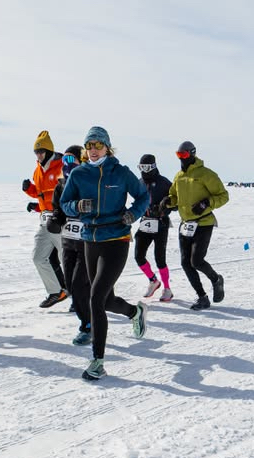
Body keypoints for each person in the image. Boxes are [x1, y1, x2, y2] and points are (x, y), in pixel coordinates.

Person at [58, 127, 150, 381]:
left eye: (98, 145)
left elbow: (143, 196)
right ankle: (135, 312)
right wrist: (76, 205)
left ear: (108, 147)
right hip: (90, 239)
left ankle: (97, 361)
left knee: (95, 298)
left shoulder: (120, 172)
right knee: (105, 299)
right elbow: (64, 203)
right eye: (89, 146)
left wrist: (133, 214)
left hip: (116, 239)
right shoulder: (79, 174)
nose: (93, 150)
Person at [161, 141, 229, 310]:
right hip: (185, 224)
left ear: (192, 154)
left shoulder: (206, 174)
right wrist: (167, 202)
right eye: (178, 155)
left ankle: (216, 279)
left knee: (196, 261)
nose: (181, 158)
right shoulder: (179, 176)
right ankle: (202, 297)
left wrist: (207, 203)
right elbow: (174, 197)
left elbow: (223, 196)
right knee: (185, 263)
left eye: (183, 155)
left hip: (204, 222)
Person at [52, 146, 93, 344]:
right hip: (68, 242)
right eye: (65, 161)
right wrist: (55, 219)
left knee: (79, 285)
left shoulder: (88, 183)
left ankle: (87, 325)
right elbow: (57, 211)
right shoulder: (60, 186)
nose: (68, 165)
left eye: (72, 160)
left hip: (87, 243)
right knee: (71, 285)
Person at [22, 131, 68, 308]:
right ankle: (56, 292)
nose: (39, 155)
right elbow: (42, 196)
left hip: (61, 221)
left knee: (68, 262)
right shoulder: (37, 171)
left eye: (41, 151)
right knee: (38, 258)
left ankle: (79, 294)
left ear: (49, 151)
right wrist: (30, 190)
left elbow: (60, 195)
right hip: (44, 222)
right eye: (36, 152)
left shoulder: (61, 167)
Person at [133, 154, 174, 301]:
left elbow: (175, 203)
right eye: (141, 167)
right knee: (138, 256)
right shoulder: (139, 183)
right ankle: (153, 280)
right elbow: (137, 202)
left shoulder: (164, 183)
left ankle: (167, 289)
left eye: (147, 167)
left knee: (159, 258)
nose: (144, 171)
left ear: (154, 166)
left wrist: (164, 207)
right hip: (145, 222)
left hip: (161, 224)